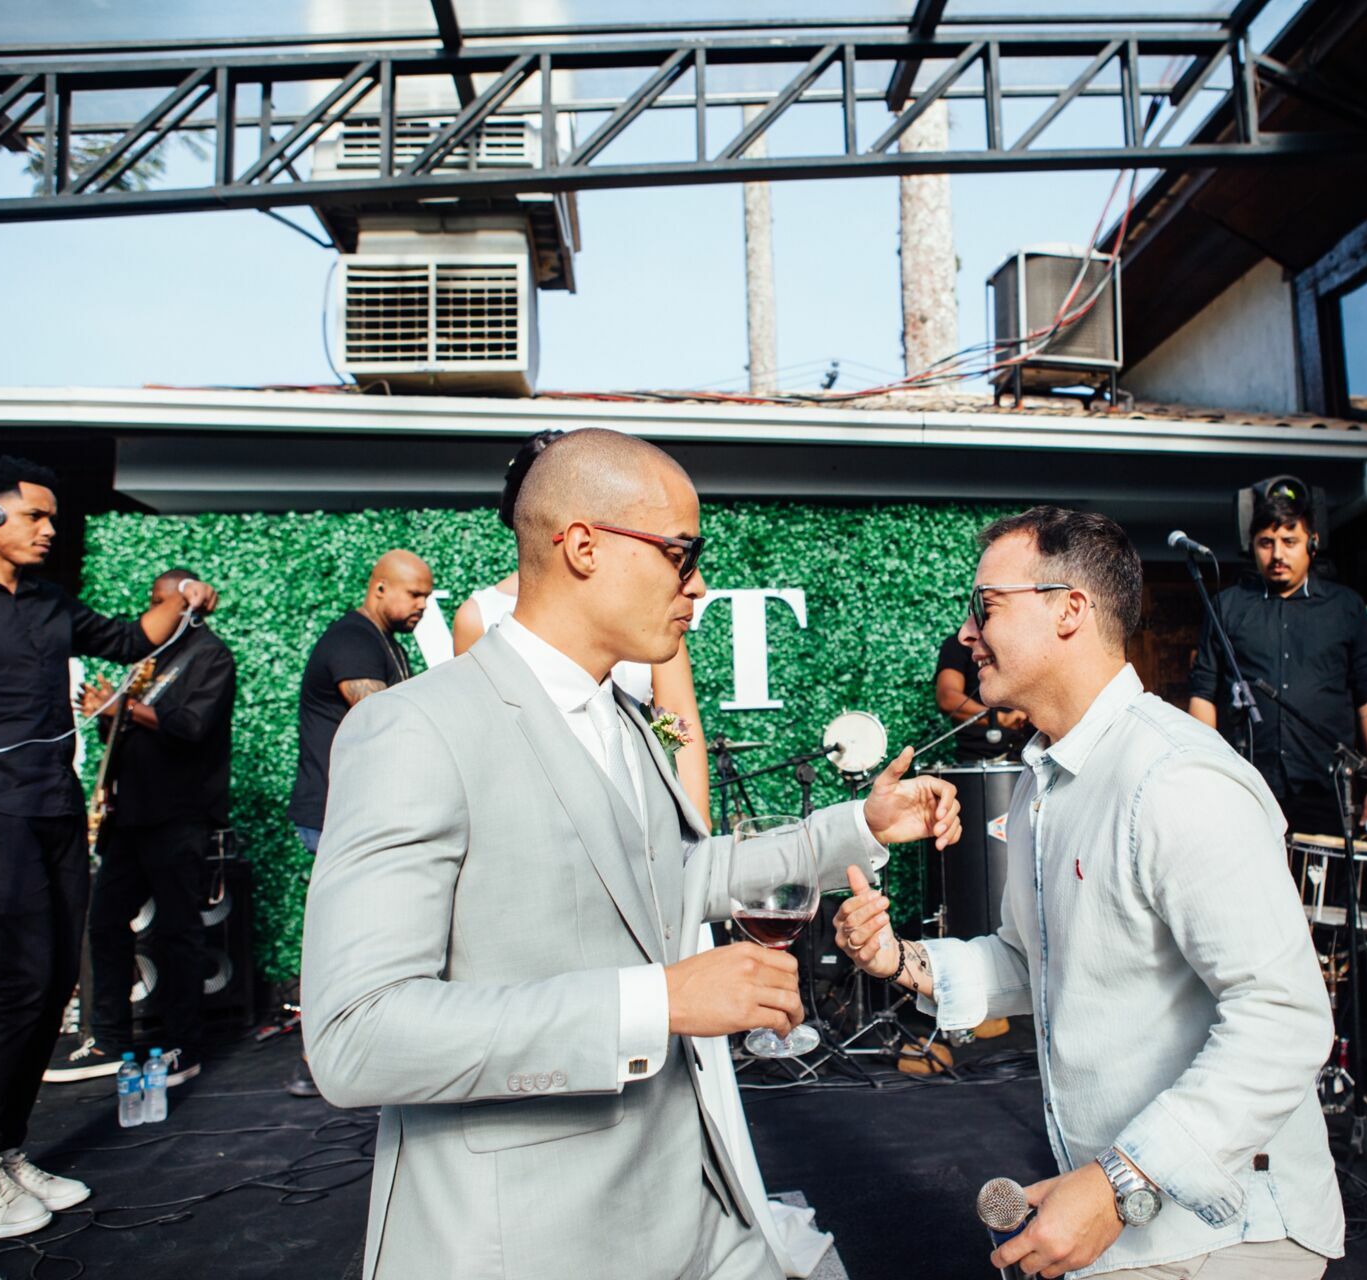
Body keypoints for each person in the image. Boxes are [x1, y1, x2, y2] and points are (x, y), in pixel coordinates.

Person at [298, 428, 960, 1280]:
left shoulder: (622, 718)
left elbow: (677, 877)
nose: (700, 584)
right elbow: (357, 1038)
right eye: (682, 553)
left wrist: (861, 826)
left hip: (692, 1204)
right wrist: (659, 1003)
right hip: (528, 1239)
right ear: (582, 546)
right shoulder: (412, 728)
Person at [834, 505, 1342, 1280]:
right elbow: (1033, 958)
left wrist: (1116, 1183)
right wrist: (899, 960)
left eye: (986, 606)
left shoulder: (1176, 779)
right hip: (1127, 1220)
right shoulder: (1044, 785)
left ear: (1070, 610)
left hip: (1231, 1234)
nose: (968, 634)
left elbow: (1285, 1021)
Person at [0, 456, 218, 1240]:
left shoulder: (47, 602)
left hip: (50, 807)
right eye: (35, 516)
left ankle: (3, 1153)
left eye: (53, 518)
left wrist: (183, 601)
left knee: (49, 984)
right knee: (18, 979)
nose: (51, 529)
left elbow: (127, 639)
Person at [453, 429, 711, 820]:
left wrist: (695, 830)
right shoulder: (478, 615)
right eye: (675, 553)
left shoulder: (653, 619)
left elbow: (678, 718)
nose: (697, 586)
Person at [44, 567, 236, 1088]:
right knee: (105, 922)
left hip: (179, 816)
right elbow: (134, 725)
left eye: (162, 601)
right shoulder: (144, 659)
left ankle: (182, 1044)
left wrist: (123, 707)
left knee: (179, 931)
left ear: (189, 603)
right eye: (150, 601)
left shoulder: (210, 655)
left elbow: (191, 726)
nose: (153, 611)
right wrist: (109, 715)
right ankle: (107, 1036)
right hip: (131, 816)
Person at [283, 548, 432, 1097]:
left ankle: (341, 1057)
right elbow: (384, 717)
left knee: (372, 935)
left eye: (426, 595)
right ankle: (317, 1061)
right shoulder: (352, 640)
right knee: (350, 939)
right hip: (334, 817)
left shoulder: (383, 642)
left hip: (352, 816)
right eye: (414, 594)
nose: (422, 605)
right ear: (380, 590)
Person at [1188, 480, 1367, 836]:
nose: (1277, 554)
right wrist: (1212, 775)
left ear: (1312, 543)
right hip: (1248, 785)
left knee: (1323, 891)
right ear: (1252, 546)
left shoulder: (1345, 608)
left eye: (1289, 542)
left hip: (1326, 787)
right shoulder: (1227, 607)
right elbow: (1203, 695)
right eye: (1266, 543)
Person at [933, 630, 1032, 761]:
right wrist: (999, 719)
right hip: (979, 760)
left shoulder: (1027, 643)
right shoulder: (958, 644)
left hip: (1033, 754)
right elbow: (947, 698)